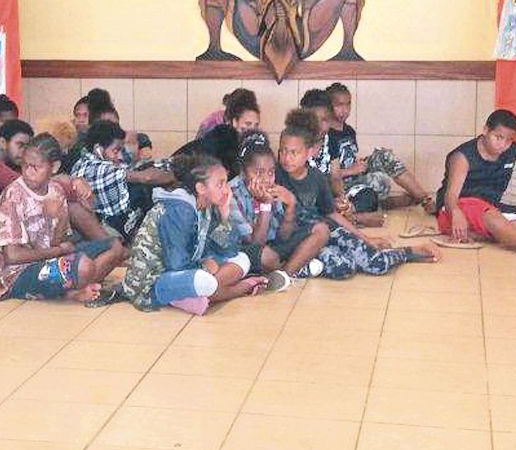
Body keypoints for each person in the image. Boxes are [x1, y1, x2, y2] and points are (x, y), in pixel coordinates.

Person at [279, 111, 436, 278]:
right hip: (297, 241)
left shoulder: (317, 178)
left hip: (326, 233)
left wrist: (365, 239)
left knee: (375, 264)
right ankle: (301, 267)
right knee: (342, 268)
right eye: (282, 151)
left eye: (293, 153)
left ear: (310, 152)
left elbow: (332, 214)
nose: (286, 158)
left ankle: (407, 253)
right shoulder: (276, 175)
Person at [0, 134, 126, 303]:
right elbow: (13, 256)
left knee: (114, 247)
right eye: (24, 166)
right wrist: (59, 252)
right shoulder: (14, 196)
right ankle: (74, 290)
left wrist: (58, 217)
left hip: (47, 259)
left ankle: (75, 288)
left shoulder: (56, 191)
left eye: (35, 167)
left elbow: (59, 241)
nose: (28, 172)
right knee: (83, 266)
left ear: (54, 167)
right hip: (17, 273)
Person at [122, 152, 265, 314]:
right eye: (220, 184)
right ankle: (242, 288)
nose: (226, 191)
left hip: (185, 269)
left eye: (226, 183)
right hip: (152, 283)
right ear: (201, 188)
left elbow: (227, 250)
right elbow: (176, 265)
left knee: (241, 259)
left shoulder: (206, 205)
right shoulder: (179, 210)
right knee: (205, 282)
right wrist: (205, 266)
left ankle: (194, 298)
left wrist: (225, 217)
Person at [434, 109, 516, 260]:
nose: (503, 144)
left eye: (508, 140)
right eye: (498, 137)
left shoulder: (511, 150)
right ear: (485, 130)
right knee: (493, 218)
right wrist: (455, 212)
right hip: (458, 207)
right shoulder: (462, 156)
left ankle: (486, 235)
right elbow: (450, 196)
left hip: (490, 206)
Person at [325, 81, 433, 211]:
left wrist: (362, 164)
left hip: (354, 176)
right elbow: (326, 175)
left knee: (384, 156)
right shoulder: (325, 134)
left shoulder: (349, 131)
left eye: (348, 104)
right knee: (378, 182)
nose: (345, 110)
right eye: (339, 105)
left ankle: (424, 199)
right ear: (328, 106)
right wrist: (352, 170)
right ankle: (385, 204)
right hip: (338, 186)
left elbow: (349, 160)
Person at [228, 140, 320, 280]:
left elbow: (283, 237)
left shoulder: (273, 189)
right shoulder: (231, 194)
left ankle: (284, 275)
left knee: (321, 229)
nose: (266, 179)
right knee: (267, 257)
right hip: (247, 251)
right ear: (244, 172)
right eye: (259, 173)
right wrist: (265, 205)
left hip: (273, 246)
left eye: (271, 173)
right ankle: (292, 269)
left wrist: (290, 207)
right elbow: (255, 245)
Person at [71, 118, 173, 239]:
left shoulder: (87, 161)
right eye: (115, 151)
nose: (119, 156)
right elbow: (146, 177)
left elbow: (134, 168)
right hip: (105, 234)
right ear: (98, 149)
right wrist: (176, 175)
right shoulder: (96, 169)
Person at [177, 88, 262, 178]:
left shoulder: (250, 140)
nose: (252, 129)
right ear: (234, 121)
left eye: (256, 125)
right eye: (248, 123)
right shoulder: (220, 136)